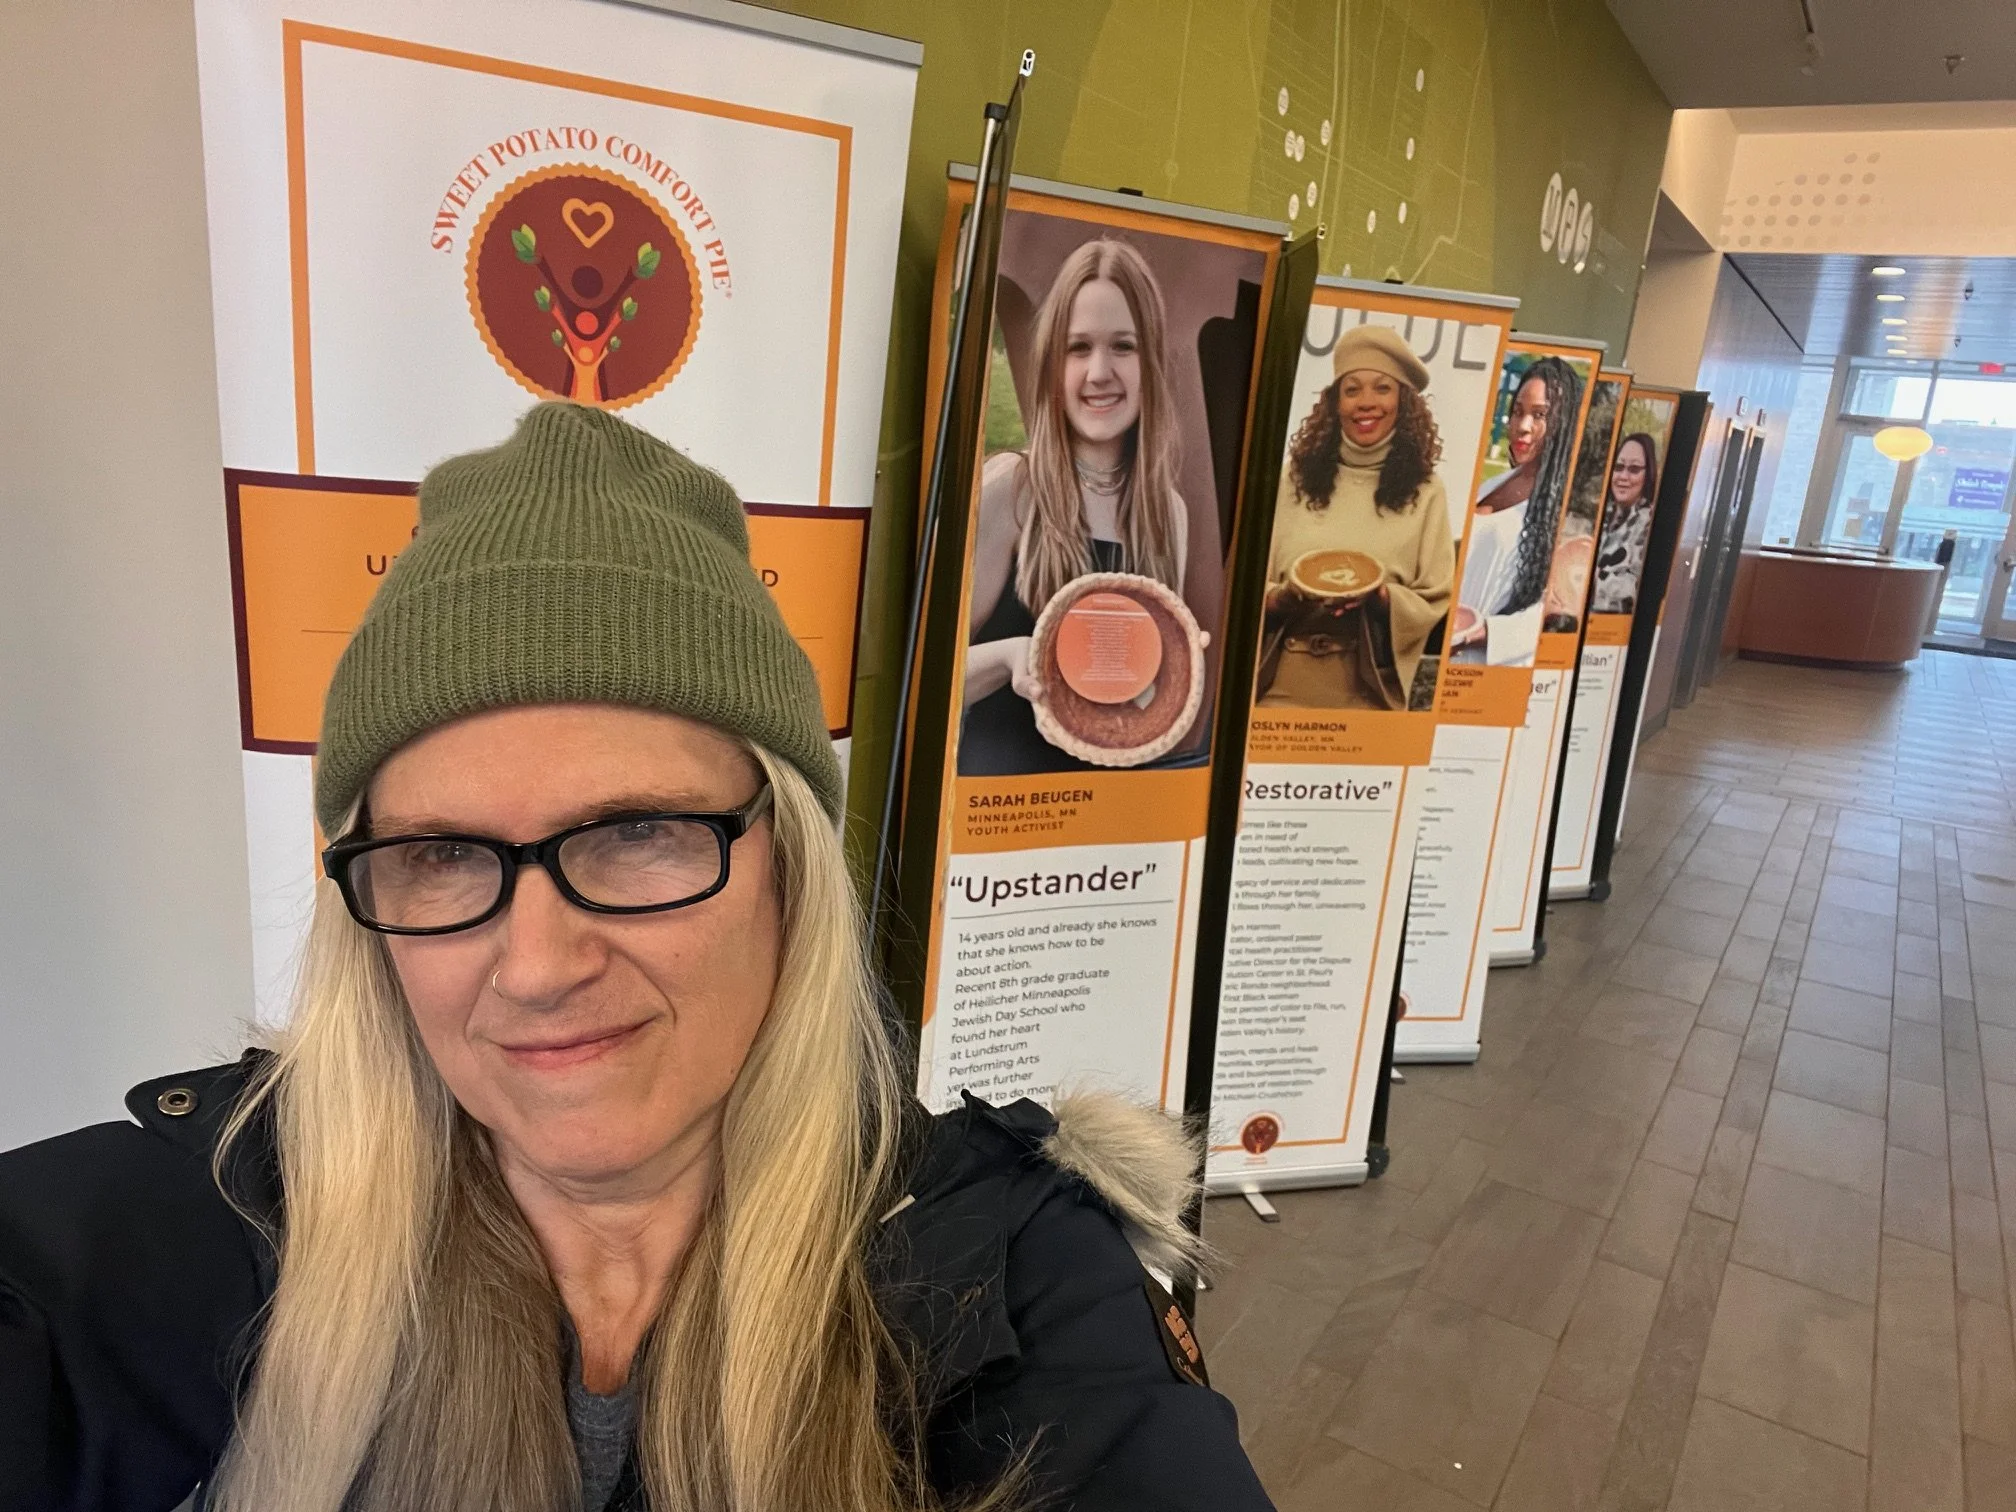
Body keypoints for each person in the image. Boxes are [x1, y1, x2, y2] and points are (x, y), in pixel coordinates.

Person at [0, 404, 1273, 1512]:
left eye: (639, 834)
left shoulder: (1007, 1276)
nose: (539, 962)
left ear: (787, 867)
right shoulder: (234, 1205)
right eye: (443, 856)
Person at [960, 238, 1191, 775]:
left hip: (1103, 818)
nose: (1099, 372)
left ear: (1150, 362)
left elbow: (1138, 695)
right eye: (1079, 347)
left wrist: (1174, 669)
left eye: (1123, 347)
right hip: (1001, 806)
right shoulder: (1011, 489)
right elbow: (930, 680)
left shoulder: (1167, 512)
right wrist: (1012, 656)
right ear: (1052, 364)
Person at [1259, 323, 1452, 708]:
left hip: (1369, 695)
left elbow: (1435, 598)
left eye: (1382, 387)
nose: (1366, 402)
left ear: (1404, 401)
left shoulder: (1426, 491)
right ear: (1335, 403)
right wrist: (1284, 598)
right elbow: (1250, 588)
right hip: (1279, 689)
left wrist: (1379, 596)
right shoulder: (1292, 480)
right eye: (1352, 389)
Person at [1452, 356, 1584, 666]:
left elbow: (1560, 611)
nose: (1522, 427)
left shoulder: (1568, 510)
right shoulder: (1489, 484)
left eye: (1539, 415)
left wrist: (1480, 633)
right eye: (1517, 412)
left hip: (1491, 671)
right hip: (1445, 658)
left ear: (1563, 422)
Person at [1591, 431, 1659, 615]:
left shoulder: (1649, 524)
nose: (1623, 476)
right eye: (1618, 467)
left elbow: (1634, 591)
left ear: (1648, 474)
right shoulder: (1600, 515)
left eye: (1634, 469)